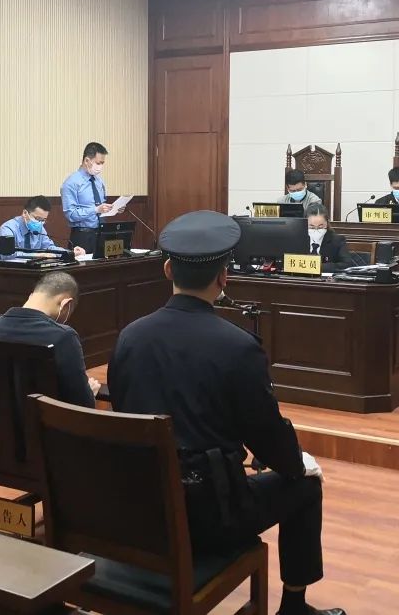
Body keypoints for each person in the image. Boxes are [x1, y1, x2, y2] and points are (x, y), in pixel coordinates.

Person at [108, 210, 344, 615]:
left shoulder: (130, 337)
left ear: (168, 270)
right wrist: (296, 463)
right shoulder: (237, 347)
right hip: (210, 516)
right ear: (223, 277)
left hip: (137, 508)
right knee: (306, 487)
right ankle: (294, 608)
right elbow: (266, 436)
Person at [0, 272, 99, 408]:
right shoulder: (63, 337)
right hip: (51, 421)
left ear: (31, 296)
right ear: (66, 304)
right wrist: (90, 392)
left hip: (5, 420)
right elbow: (82, 404)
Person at [60, 142, 120, 253]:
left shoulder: (99, 181)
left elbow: (101, 208)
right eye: (98, 163)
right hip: (82, 235)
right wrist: (95, 210)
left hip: (101, 233)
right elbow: (71, 215)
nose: (100, 166)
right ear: (87, 160)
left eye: (102, 163)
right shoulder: (71, 183)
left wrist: (114, 208)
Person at [0, 195, 85, 260]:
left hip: (31, 272)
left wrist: (69, 252)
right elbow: (7, 256)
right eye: (37, 219)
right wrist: (37, 255)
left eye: (43, 220)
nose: (40, 223)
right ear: (25, 213)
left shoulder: (39, 228)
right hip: (5, 273)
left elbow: (49, 247)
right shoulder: (8, 229)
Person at [305, 203, 354, 272]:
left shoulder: (337, 241)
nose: (316, 230)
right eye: (312, 227)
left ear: (327, 223)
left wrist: (317, 266)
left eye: (320, 227)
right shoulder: (298, 239)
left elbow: (347, 264)